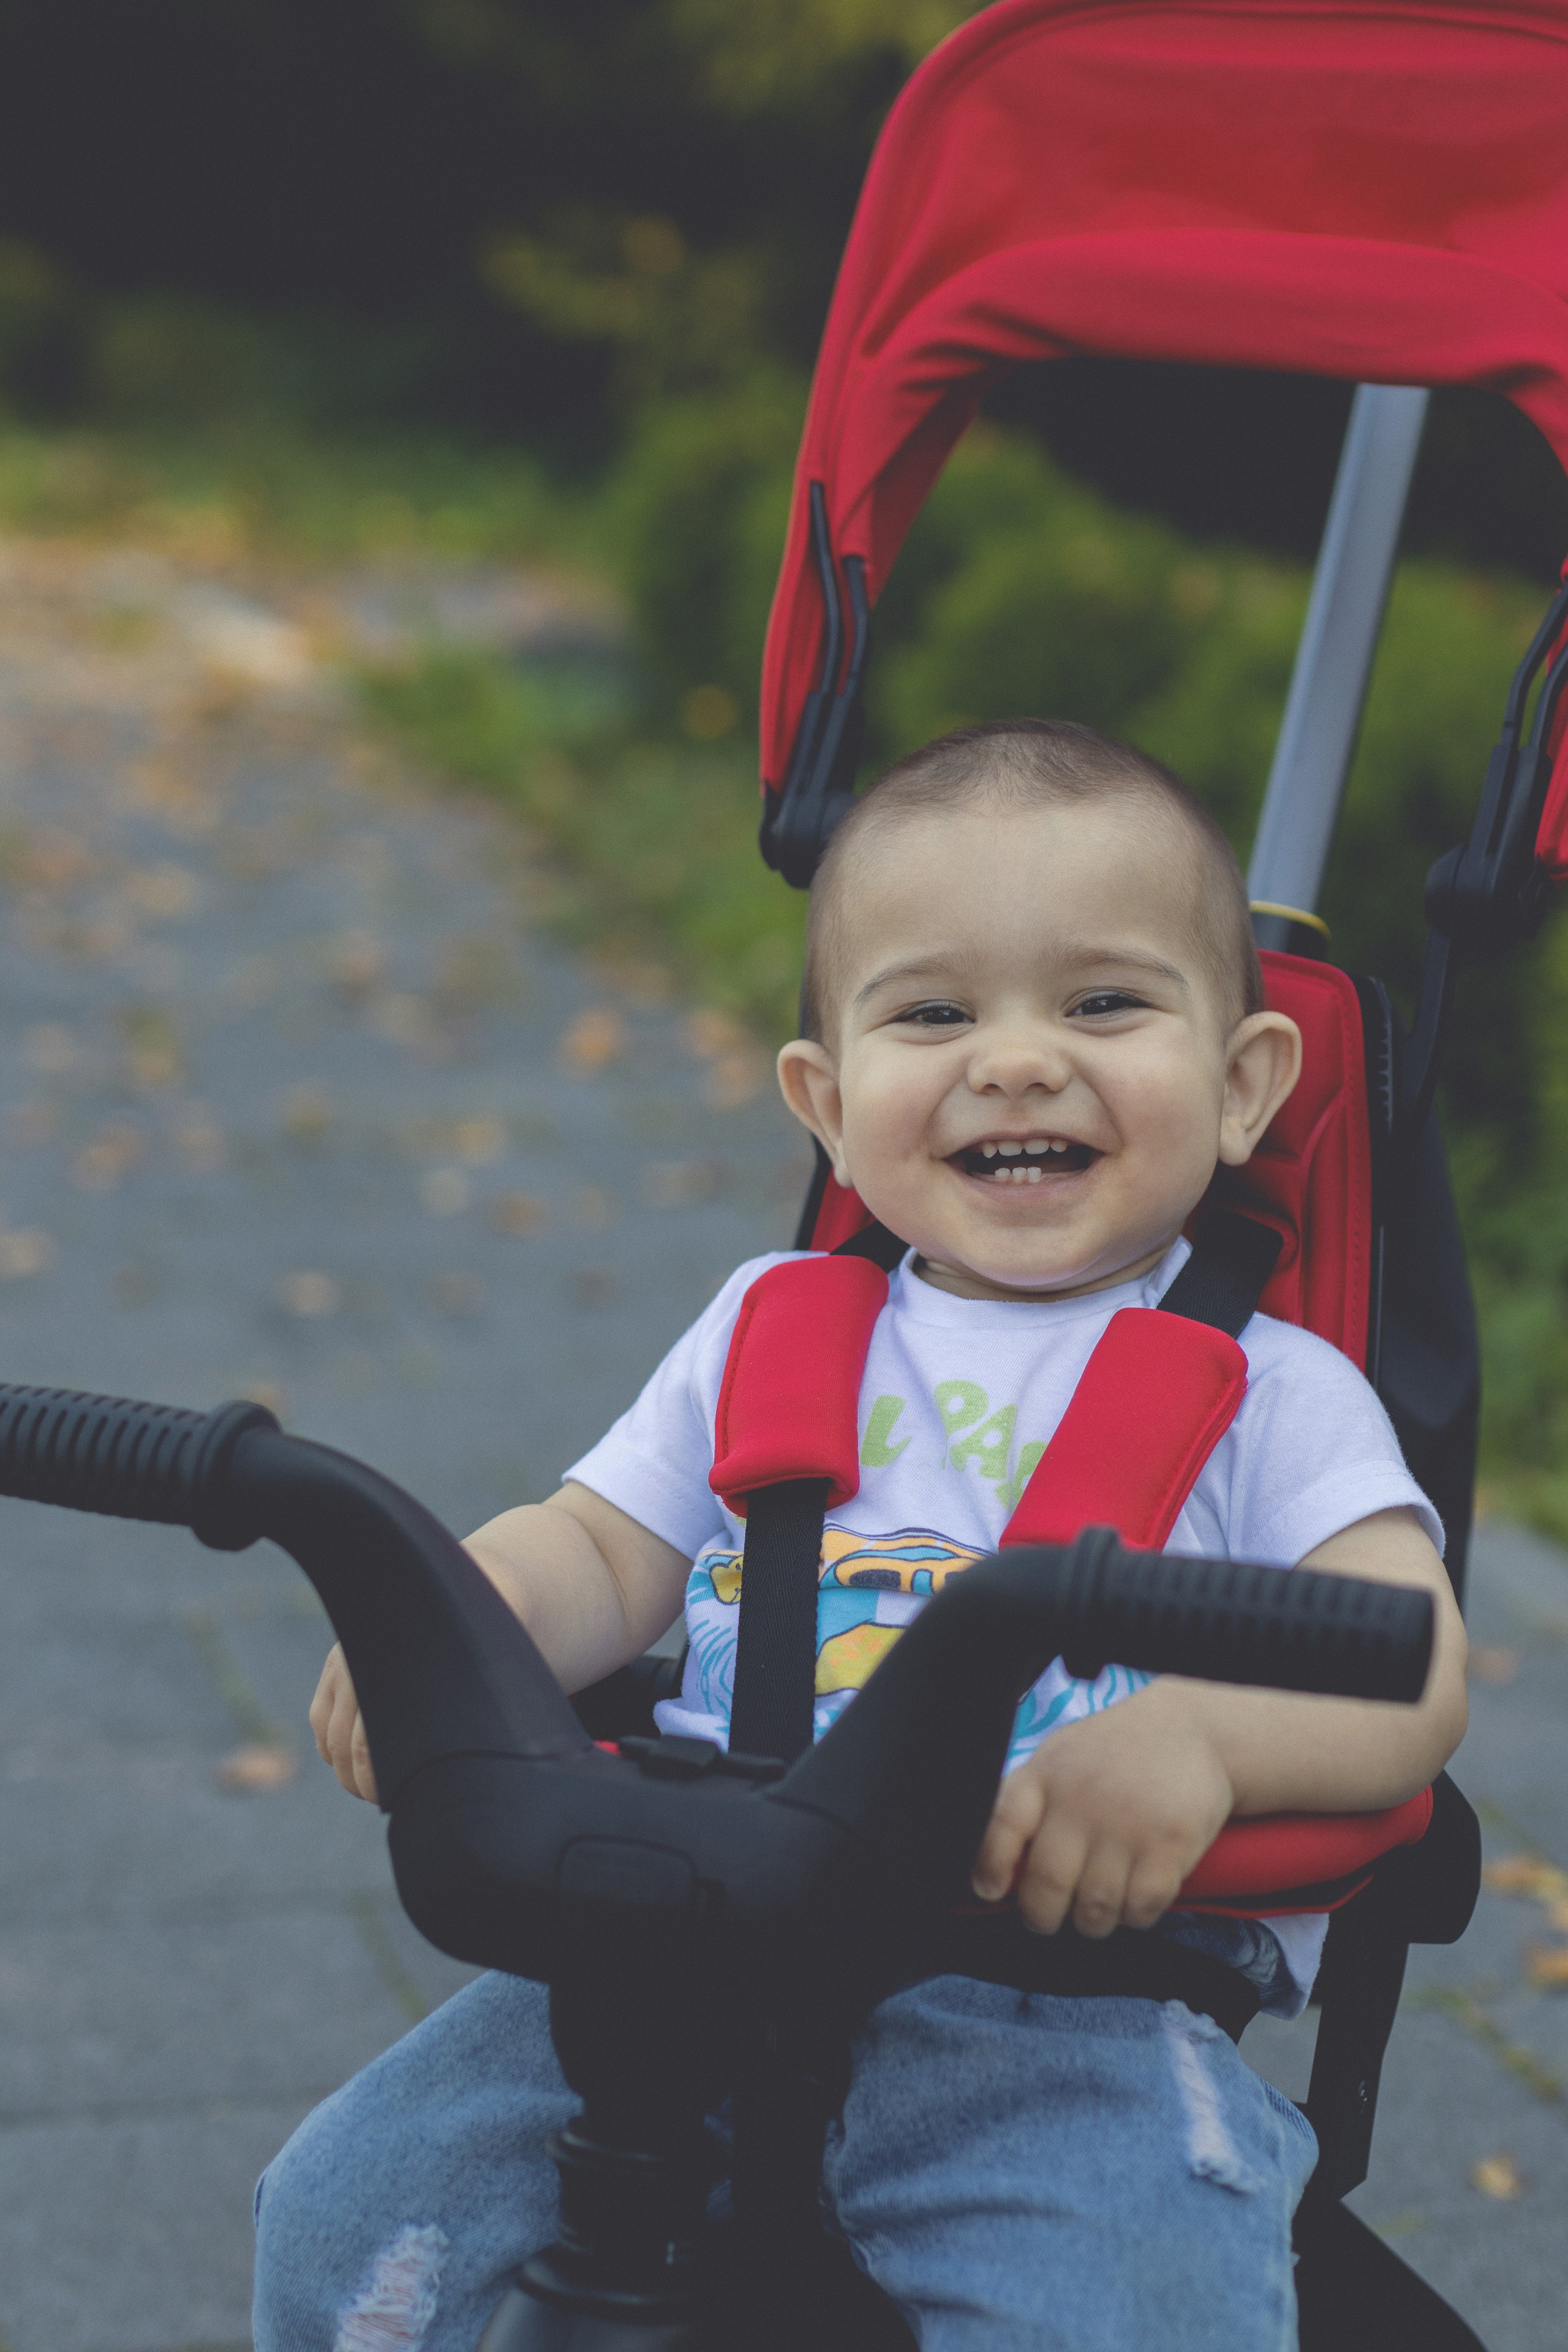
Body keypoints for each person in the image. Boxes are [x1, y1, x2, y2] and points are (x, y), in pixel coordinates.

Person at [257, 719, 1468, 2352]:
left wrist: (1201, 1743)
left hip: (1052, 2005)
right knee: (346, 2215)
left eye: (1104, 1002)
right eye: (934, 1012)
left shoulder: (1274, 1394)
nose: (1018, 1059)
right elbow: (601, 1553)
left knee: (1140, 2293)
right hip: (674, 1960)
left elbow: (1413, 1667)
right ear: (827, 1105)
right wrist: (452, 1625)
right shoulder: (774, 1326)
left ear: (1248, 1084)